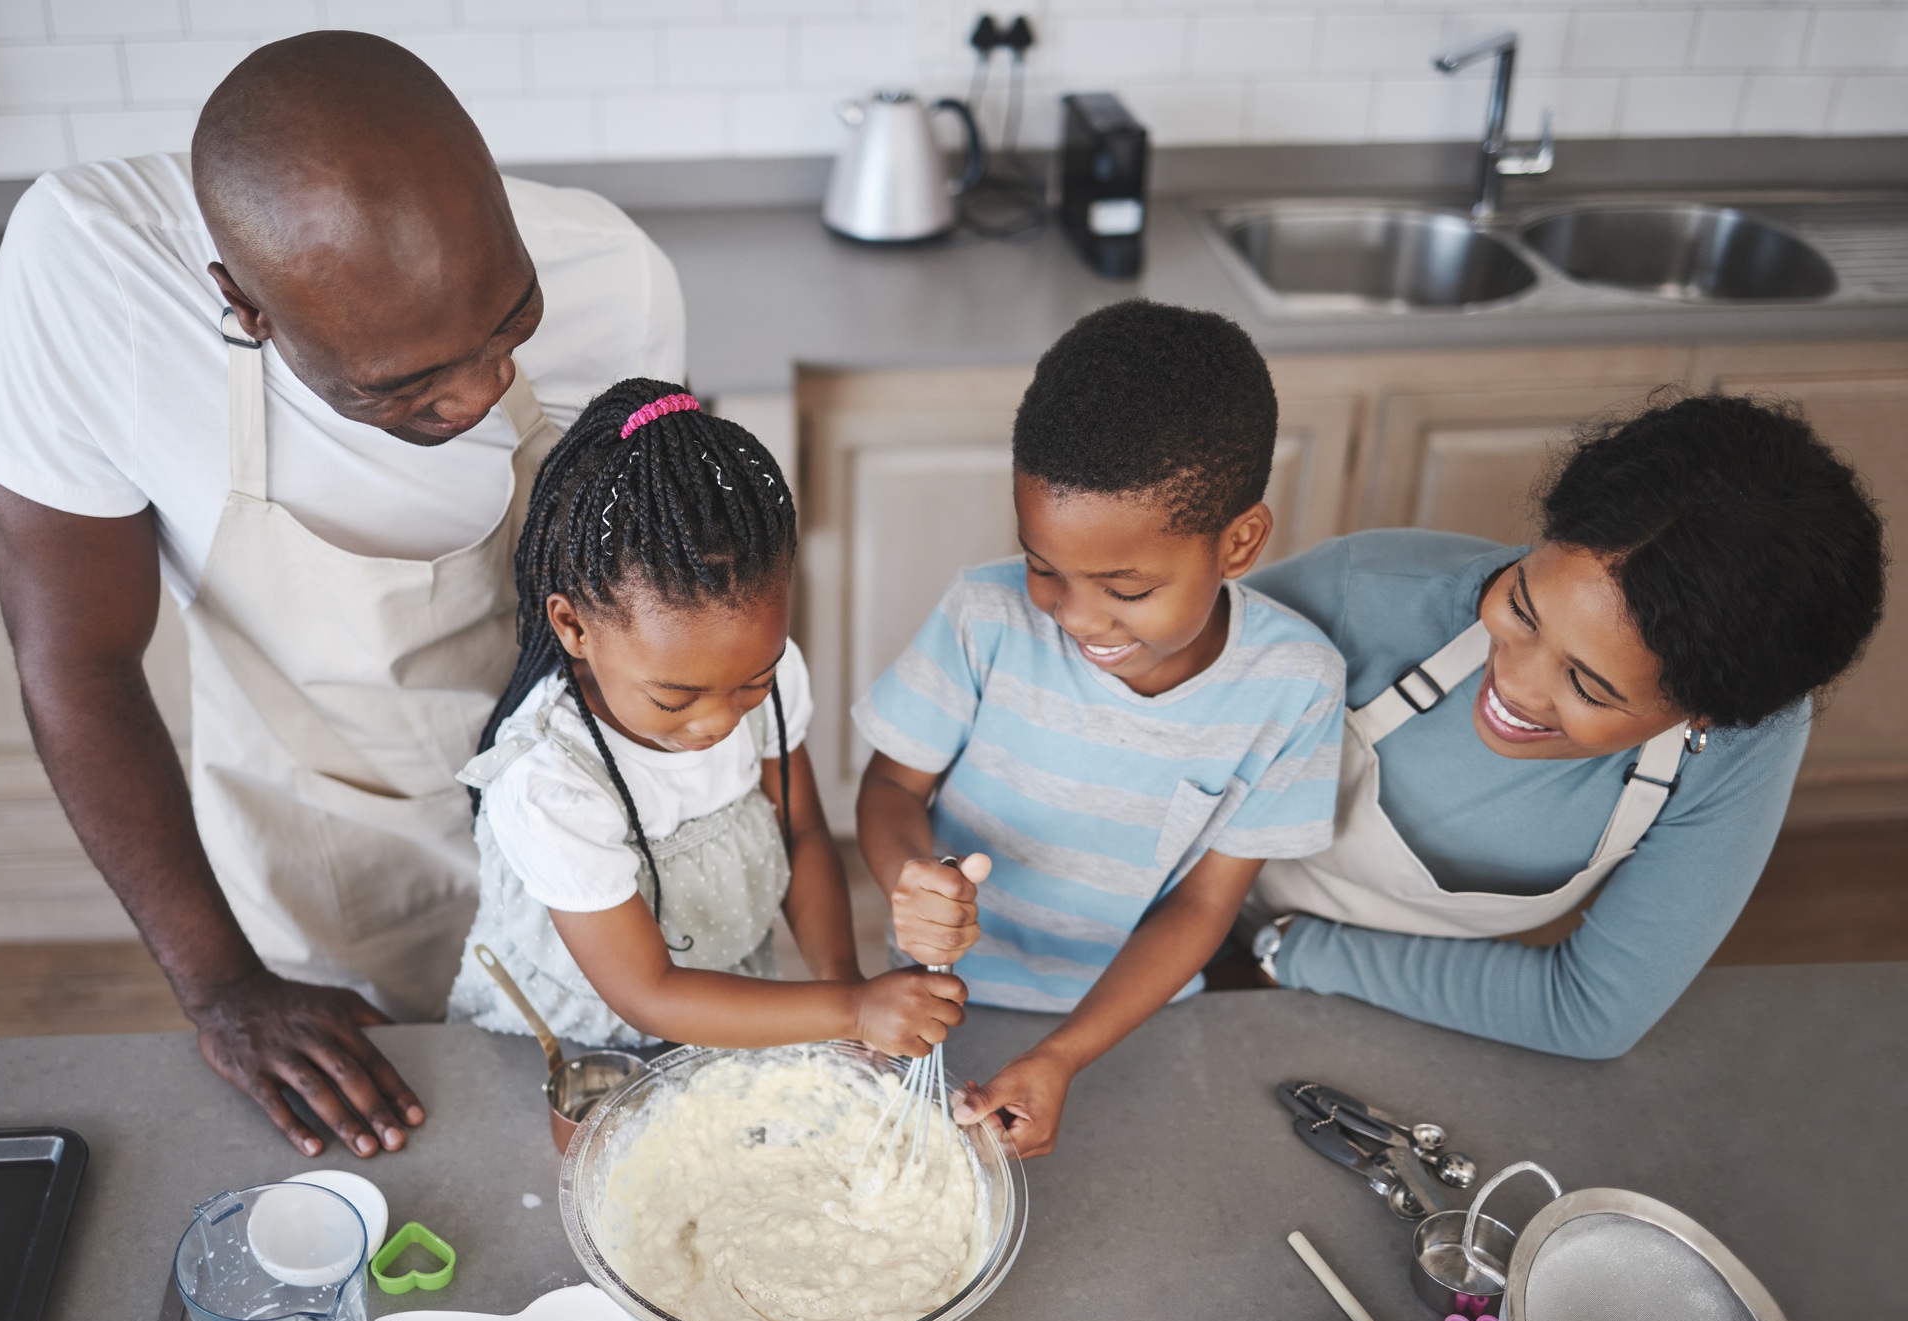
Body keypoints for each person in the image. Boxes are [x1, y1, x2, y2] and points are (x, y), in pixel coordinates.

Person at [0, 33, 685, 1157]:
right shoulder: (93, 275)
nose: (486, 390)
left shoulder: (614, 274)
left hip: (575, 833)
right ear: (241, 305)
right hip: (312, 860)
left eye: (510, 321)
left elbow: (656, 600)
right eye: (405, 386)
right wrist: (224, 989)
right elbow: (74, 660)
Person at [1232, 392, 1888, 1058]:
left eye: (1588, 686)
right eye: (1521, 605)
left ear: (1704, 713)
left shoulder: (1739, 744)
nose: (1514, 684)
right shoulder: (1363, 592)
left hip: (1328, 996)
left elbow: (1588, 1009)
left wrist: (1293, 950)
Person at [853, 301, 1347, 1158]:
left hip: (1121, 1014)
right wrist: (908, 875)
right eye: (1045, 567)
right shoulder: (985, 615)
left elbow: (1202, 905)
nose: (1077, 617)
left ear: (1239, 542)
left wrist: (1064, 1055)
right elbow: (892, 786)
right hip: (940, 988)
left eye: (1126, 588)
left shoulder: (1295, 687)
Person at [448, 381, 965, 1054]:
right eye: (674, 697)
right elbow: (649, 991)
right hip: (576, 1039)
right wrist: (850, 1008)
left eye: (754, 680)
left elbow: (802, 831)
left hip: (722, 1003)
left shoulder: (766, 677)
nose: (719, 720)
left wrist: (842, 979)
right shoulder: (550, 780)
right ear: (574, 626)